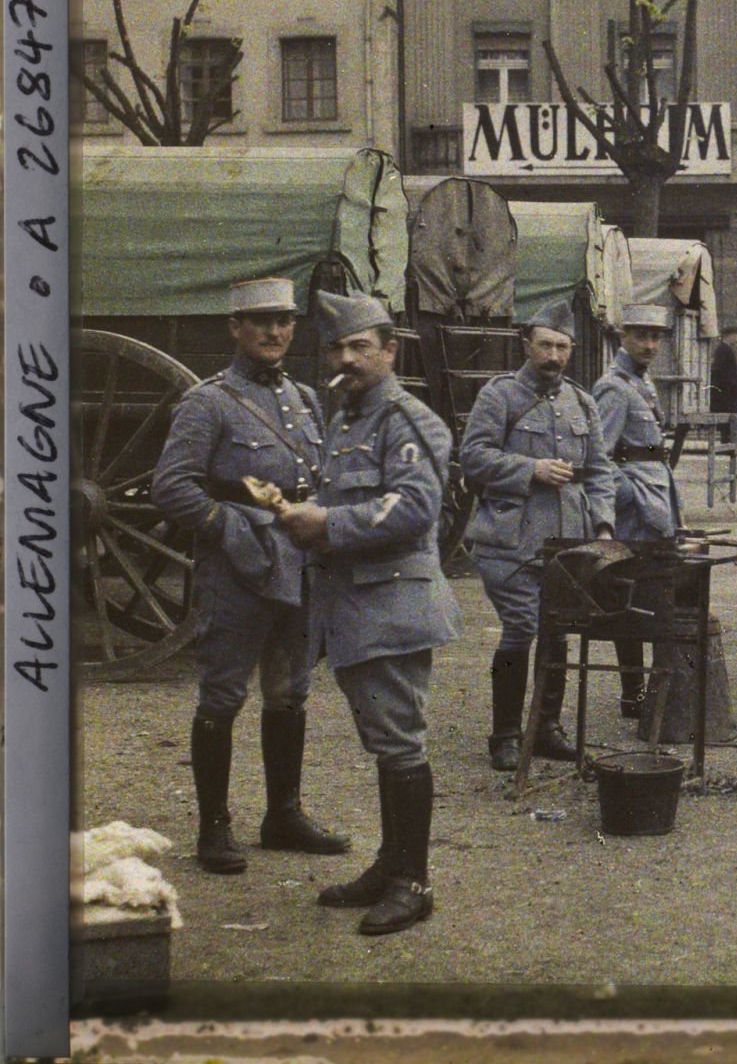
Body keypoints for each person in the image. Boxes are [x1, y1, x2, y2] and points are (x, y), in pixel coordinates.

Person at [272, 292, 460, 935]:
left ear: (389, 351)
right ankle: (390, 865)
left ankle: (413, 883)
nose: (347, 359)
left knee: (401, 742)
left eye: (360, 347)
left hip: (393, 603)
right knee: (385, 741)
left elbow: (414, 507)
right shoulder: (347, 417)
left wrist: (327, 522)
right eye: (337, 348)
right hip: (355, 603)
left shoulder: (408, 420)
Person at [152, 276, 348, 877]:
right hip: (239, 570)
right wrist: (231, 529)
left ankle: (282, 816)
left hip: (299, 567)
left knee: (289, 691)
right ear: (236, 328)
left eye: (283, 321)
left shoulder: (305, 398)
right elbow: (171, 486)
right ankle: (214, 827)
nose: (274, 331)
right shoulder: (208, 402)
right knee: (224, 693)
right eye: (261, 321)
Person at [459, 298, 618, 772]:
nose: (554, 356)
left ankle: (546, 728)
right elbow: (473, 457)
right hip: (509, 540)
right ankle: (505, 735)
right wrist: (531, 468)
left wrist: (603, 525)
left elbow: (600, 471)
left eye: (562, 348)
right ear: (527, 344)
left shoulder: (581, 402)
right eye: (545, 345)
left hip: (567, 541)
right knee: (523, 626)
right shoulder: (500, 395)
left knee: (559, 629)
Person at [594, 305, 686, 721]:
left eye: (655, 337)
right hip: (635, 509)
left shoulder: (640, 380)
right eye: (640, 336)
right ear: (623, 337)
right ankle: (633, 692)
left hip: (656, 503)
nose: (649, 344)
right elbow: (597, 458)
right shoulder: (614, 388)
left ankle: (651, 692)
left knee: (654, 595)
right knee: (630, 599)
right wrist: (629, 493)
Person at [709, 325, 737, 417]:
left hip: (727, 385)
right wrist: (734, 382)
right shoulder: (724, 349)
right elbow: (721, 369)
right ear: (729, 336)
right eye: (736, 335)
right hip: (726, 387)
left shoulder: (724, 348)